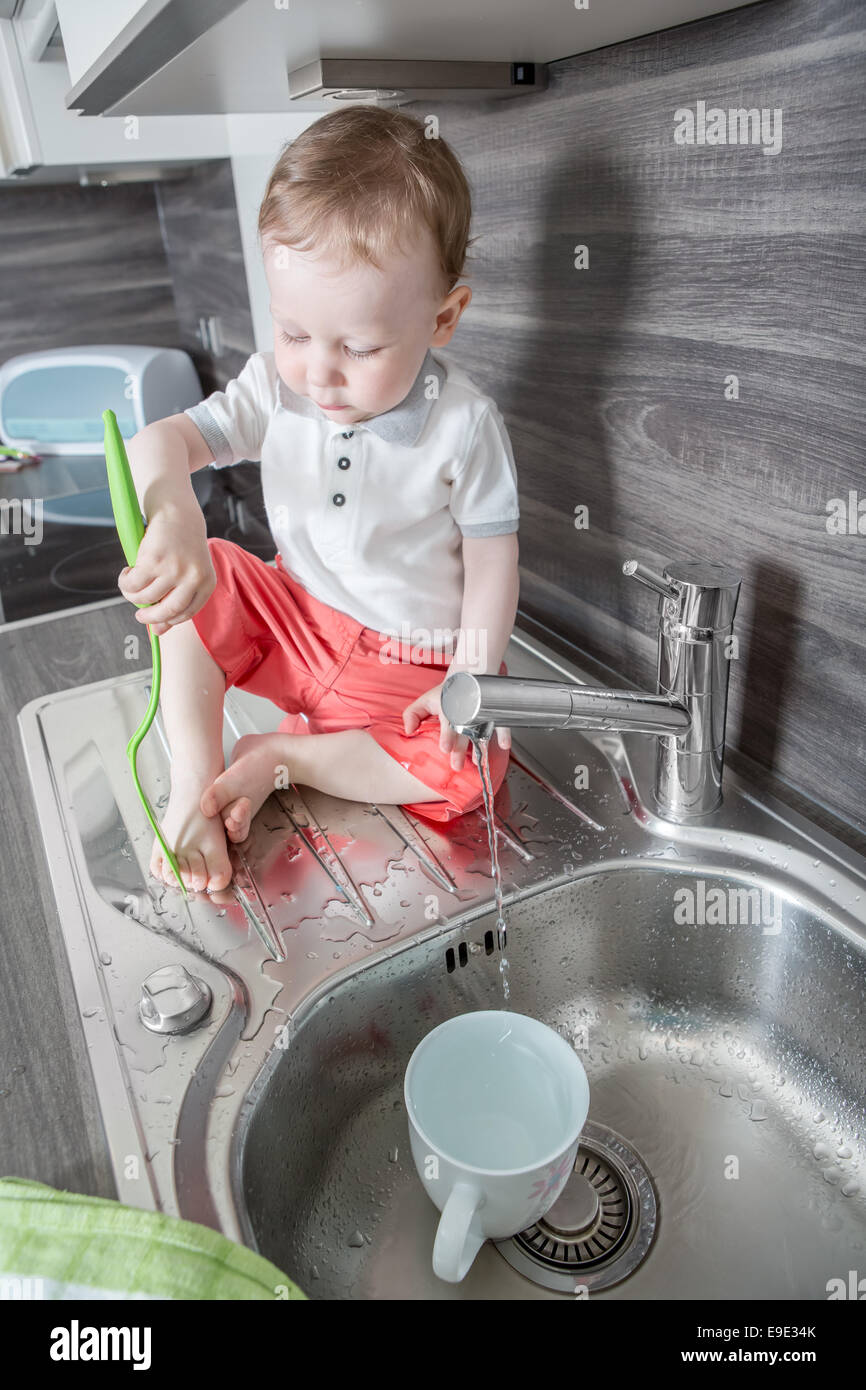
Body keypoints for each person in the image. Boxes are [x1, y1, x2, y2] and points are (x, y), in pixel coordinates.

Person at [120, 106, 520, 894]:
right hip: (296, 621)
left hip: (408, 660)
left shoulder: (466, 424)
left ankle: (281, 756)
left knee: (475, 761)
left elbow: (494, 557)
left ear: (444, 318)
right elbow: (159, 442)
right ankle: (194, 787)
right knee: (202, 580)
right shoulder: (277, 386)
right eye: (294, 333)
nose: (320, 373)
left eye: (360, 347)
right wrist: (174, 510)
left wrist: (469, 672)